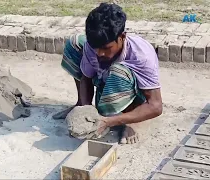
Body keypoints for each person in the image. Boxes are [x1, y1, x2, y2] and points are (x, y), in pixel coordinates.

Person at [53, 3, 163, 144]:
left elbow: (155, 106)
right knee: (74, 43)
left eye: (106, 48)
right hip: (105, 82)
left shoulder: (141, 55)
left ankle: (129, 121)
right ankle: (81, 104)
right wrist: (85, 111)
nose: (100, 53)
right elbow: (86, 77)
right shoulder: (92, 46)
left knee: (118, 72)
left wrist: (109, 122)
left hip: (132, 93)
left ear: (122, 37)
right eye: (96, 47)